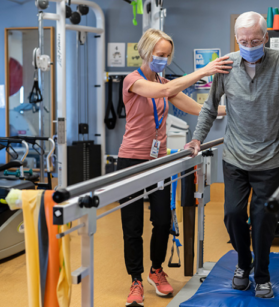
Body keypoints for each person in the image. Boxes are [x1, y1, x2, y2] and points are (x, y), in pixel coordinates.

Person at [184, 12, 279, 299]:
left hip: (272, 158)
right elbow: (209, 107)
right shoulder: (226, 65)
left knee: (262, 219)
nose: (249, 44)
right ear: (236, 39)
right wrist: (196, 139)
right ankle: (244, 262)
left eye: (255, 40)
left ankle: (262, 274)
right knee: (232, 214)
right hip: (235, 156)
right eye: (243, 40)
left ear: (265, 37)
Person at [118, 28, 232, 307]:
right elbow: (166, 90)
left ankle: (156, 270)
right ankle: (135, 279)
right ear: (146, 52)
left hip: (159, 162)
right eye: (160, 55)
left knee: (162, 220)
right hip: (132, 160)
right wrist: (204, 71)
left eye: (168, 55)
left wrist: (234, 108)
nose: (164, 60)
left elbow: (196, 107)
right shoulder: (132, 80)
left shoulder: (162, 82)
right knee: (132, 226)